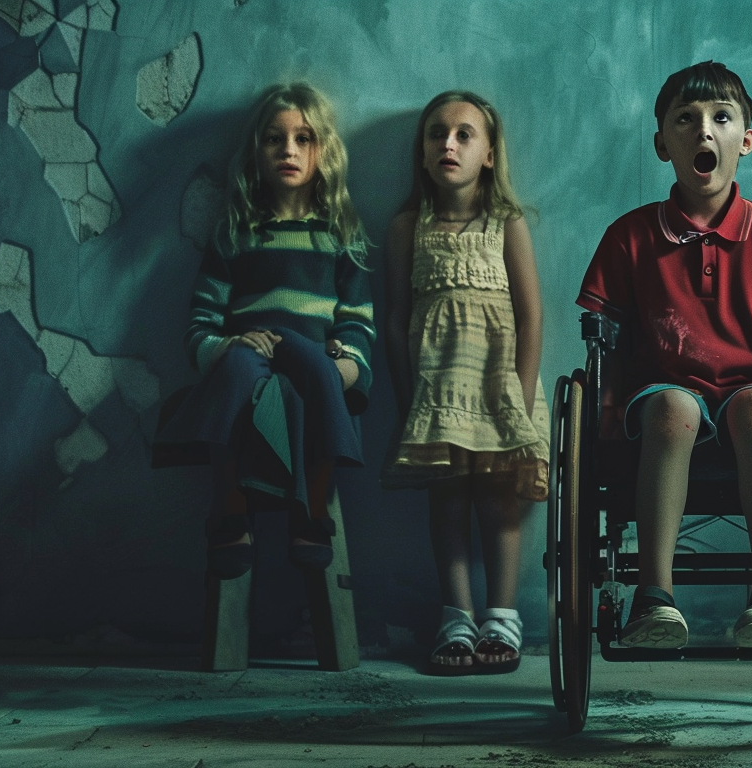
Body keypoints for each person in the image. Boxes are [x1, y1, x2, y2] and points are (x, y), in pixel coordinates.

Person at [577, 61, 752, 650]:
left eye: (721, 118)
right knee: (672, 407)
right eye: (686, 120)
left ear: (746, 140)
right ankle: (652, 598)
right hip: (663, 387)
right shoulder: (631, 236)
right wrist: (607, 416)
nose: (704, 131)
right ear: (663, 143)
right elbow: (603, 340)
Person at [157, 82, 374, 579]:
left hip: (313, 355)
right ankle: (229, 507)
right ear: (257, 150)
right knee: (234, 367)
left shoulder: (341, 234)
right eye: (275, 139)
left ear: (323, 150)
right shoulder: (236, 231)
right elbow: (200, 323)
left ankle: (311, 509)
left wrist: (348, 362)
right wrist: (225, 344)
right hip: (251, 351)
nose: (289, 150)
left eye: (303, 138)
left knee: (314, 376)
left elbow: (359, 321)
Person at [382, 91, 548, 675]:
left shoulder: (507, 222)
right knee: (447, 497)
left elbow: (530, 315)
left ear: (489, 154)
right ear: (422, 152)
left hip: (500, 383)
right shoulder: (408, 226)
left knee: (501, 502)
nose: (447, 144)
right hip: (438, 386)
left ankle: (502, 614)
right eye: (436, 134)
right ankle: (456, 614)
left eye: (462, 134)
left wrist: (522, 400)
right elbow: (396, 318)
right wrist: (408, 398)